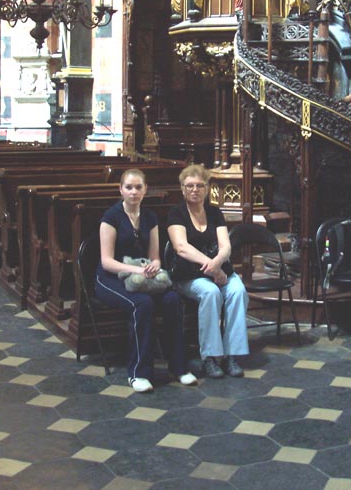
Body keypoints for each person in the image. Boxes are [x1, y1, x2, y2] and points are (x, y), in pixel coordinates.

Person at [96, 168, 197, 392]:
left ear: (145, 190)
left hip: (141, 277)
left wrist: (153, 267)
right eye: (129, 187)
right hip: (110, 279)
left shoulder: (150, 218)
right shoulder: (110, 217)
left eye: (138, 187)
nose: (133, 192)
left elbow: (155, 257)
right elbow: (106, 261)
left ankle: (179, 367)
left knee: (171, 299)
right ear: (120, 190)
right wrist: (136, 270)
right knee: (142, 304)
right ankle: (138, 373)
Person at [167, 164, 249, 379]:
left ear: (206, 188)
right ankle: (210, 357)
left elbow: (226, 246)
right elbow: (181, 247)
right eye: (190, 186)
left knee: (238, 291)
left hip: (220, 270)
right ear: (183, 189)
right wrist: (213, 269)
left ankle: (232, 355)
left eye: (199, 185)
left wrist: (218, 265)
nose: (195, 189)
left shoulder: (214, 212)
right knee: (211, 293)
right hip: (189, 275)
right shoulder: (176, 213)